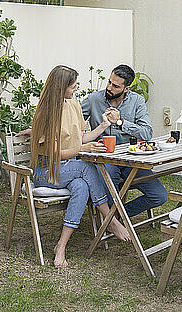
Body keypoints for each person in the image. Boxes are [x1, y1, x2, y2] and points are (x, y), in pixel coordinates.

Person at [30, 65, 131, 269]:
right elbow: (54, 153)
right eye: (73, 84)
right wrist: (83, 149)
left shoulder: (73, 105)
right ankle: (109, 219)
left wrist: (102, 127)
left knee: (81, 187)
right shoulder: (45, 113)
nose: (76, 87)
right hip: (47, 172)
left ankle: (61, 246)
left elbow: (80, 137)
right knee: (87, 167)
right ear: (61, 86)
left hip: (69, 170)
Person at [81, 64, 168, 217]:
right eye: (109, 82)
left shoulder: (137, 101)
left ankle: (117, 217)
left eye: (115, 86)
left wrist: (120, 122)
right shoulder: (93, 100)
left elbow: (147, 133)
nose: (109, 87)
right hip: (104, 159)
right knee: (108, 186)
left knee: (159, 195)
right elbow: (70, 125)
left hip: (130, 159)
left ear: (126, 88)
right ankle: (112, 218)